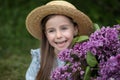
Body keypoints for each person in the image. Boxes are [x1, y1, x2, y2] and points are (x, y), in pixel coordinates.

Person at [25, 0, 93, 80]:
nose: (58, 35)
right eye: (51, 30)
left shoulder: (85, 57)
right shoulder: (39, 57)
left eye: (64, 28)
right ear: (46, 34)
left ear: (75, 30)